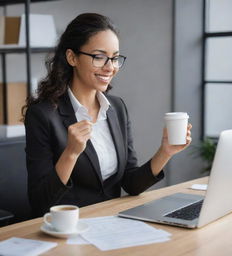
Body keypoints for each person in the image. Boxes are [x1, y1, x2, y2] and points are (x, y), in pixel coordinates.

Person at [23, 13, 192, 218]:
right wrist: (71, 153)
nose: (110, 67)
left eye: (114, 58)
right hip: (67, 228)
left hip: (112, 222)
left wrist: (165, 152)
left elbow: (131, 183)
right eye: (99, 56)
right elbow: (40, 202)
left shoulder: (116, 108)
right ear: (72, 57)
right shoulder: (42, 115)